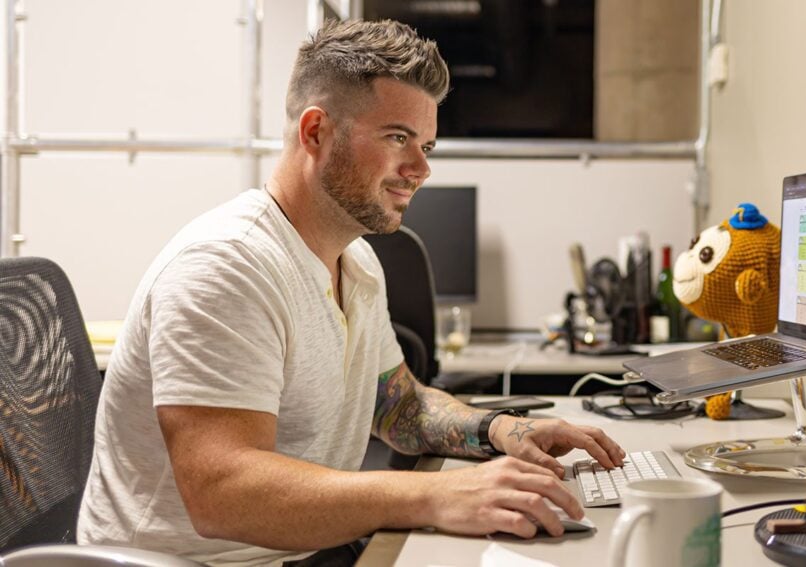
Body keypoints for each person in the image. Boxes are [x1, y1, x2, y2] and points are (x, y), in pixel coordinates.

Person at [77, 18, 625, 566]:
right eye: (397, 138)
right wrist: (435, 495)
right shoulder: (226, 267)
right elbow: (222, 494)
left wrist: (502, 428)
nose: (421, 168)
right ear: (315, 132)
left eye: (426, 144)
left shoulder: (356, 260)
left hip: (301, 552)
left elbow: (399, 406)